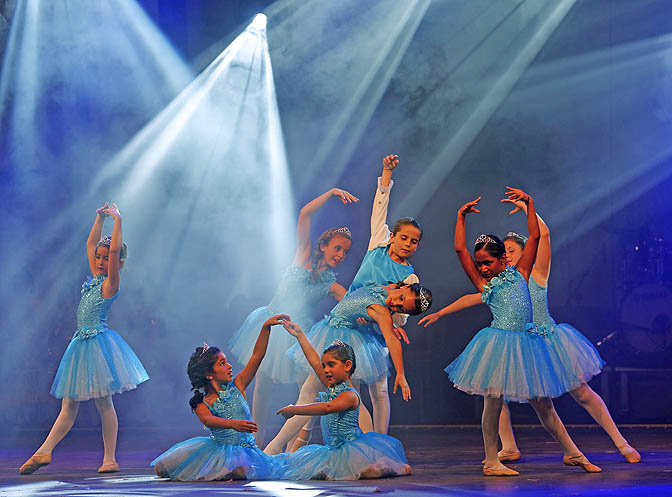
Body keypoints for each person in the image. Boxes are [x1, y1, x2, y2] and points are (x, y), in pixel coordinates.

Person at [443, 190, 601, 476]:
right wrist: (460, 218)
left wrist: (530, 204)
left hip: (526, 344)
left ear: (503, 259)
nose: (482, 268)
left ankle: (573, 453)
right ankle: (492, 461)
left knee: (544, 405)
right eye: (479, 264)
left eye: (487, 262)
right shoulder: (484, 285)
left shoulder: (522, 272)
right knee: (493, 402)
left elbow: (536, 237)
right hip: (499, 343)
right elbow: (459, 251)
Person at [20, 203, 148, 475]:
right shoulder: (93, 279)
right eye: (98, 258)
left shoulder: (109, 283)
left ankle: (110, 458)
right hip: (80, 345)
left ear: (118, 264)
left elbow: (113, 251)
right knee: (68, 404)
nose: (100, 261)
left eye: (106, 258)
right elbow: (91, 244)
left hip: (98, 346)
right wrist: (99, 218)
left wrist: (118, 222)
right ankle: (44, 451)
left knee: (105, 404)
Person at [228, 187, 357, 446]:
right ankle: (256, 436)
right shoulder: (303, 255)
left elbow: (353, 303)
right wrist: (330, 193)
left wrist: (380, 315)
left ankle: (300, 438)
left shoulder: (331, 283)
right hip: (272, 323)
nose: (341, 255)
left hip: (298, 332)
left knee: (307, 386)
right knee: (262, 383)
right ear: (324, 245)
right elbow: (304, 213)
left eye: (345, 252)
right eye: (337, 248)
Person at [264, 282, 432, 455]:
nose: (395, 304)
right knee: (347, 397)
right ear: (405, 287)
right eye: (401, 298)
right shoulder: (387, 287)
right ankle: (374, 450)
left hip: (342, 341)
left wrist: (401, 373)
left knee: (310, 393)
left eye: (401, 308)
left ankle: (273, 448)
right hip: (336, 334)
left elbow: (391, 339)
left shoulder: (382, 311)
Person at [151, 315, 289, 481]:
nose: (229, 366)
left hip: (244, 450)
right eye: (222, 363)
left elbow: (257, 356)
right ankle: (213, 471)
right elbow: (208, 420)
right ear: (210, 374)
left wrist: (265, 327)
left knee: (240, 470)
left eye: (227, 362)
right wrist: (233, 424)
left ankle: (219, 472)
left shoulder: (238, 385)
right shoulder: (201, 402)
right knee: (161, 468)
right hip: (215, 449)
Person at [278, 322, 411, 480]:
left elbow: (327, 407)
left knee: (371, 471)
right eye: (324, 366)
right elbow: (314, 361)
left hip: (352, 448)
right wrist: (300, 335)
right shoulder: (330, 386)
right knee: (306, 468)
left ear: (347, 365)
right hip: (332, 449)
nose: (326, 370)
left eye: (331, 365)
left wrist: (295, 410)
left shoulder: (350, 395)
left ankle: (396, 467)